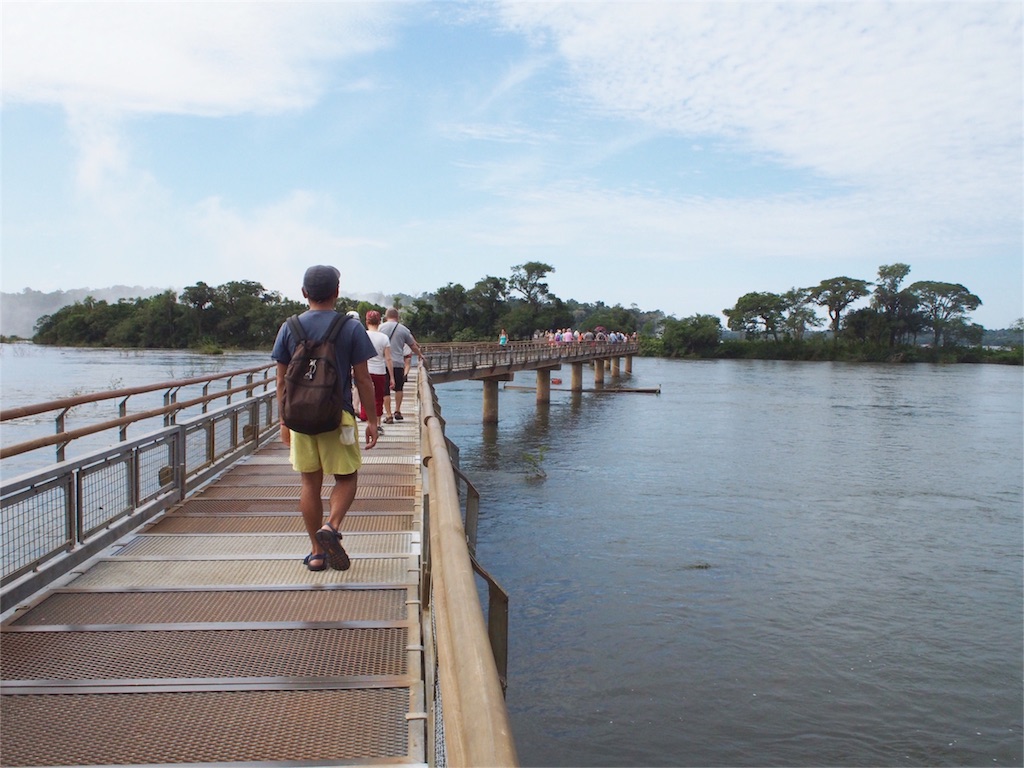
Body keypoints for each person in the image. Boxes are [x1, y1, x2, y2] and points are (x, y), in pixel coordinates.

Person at [272, 265, 378, 572]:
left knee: (309, 482)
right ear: (337, 292)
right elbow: (363, 380)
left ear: (304, 293)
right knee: (346, 477)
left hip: (300, 419)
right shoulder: (350, 327)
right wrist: (372, 420)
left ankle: (317, 553)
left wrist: (283, 421)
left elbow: (280, 381)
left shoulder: (289, 327)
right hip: (338, 417)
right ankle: (331, 526)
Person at [378, 308, 423, 422]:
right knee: (399, 388)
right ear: (397, 317)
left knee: (385, 390)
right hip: (398, 363)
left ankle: (388, 415)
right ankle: (397, 410)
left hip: (383, 363)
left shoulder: (380, 328)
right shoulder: (404, 329)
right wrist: (420, 355)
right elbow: (412, 345)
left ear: (386, 317)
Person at [361, 310, 396, 434]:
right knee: (378, 398)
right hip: (380, 371)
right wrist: (392, 377)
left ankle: (369, 423)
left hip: (365, 371)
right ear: (379, 322)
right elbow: (388, 359)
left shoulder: (362, 335)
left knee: (365, 397)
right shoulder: (384, 338)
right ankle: (378, 424)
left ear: (367, 322)